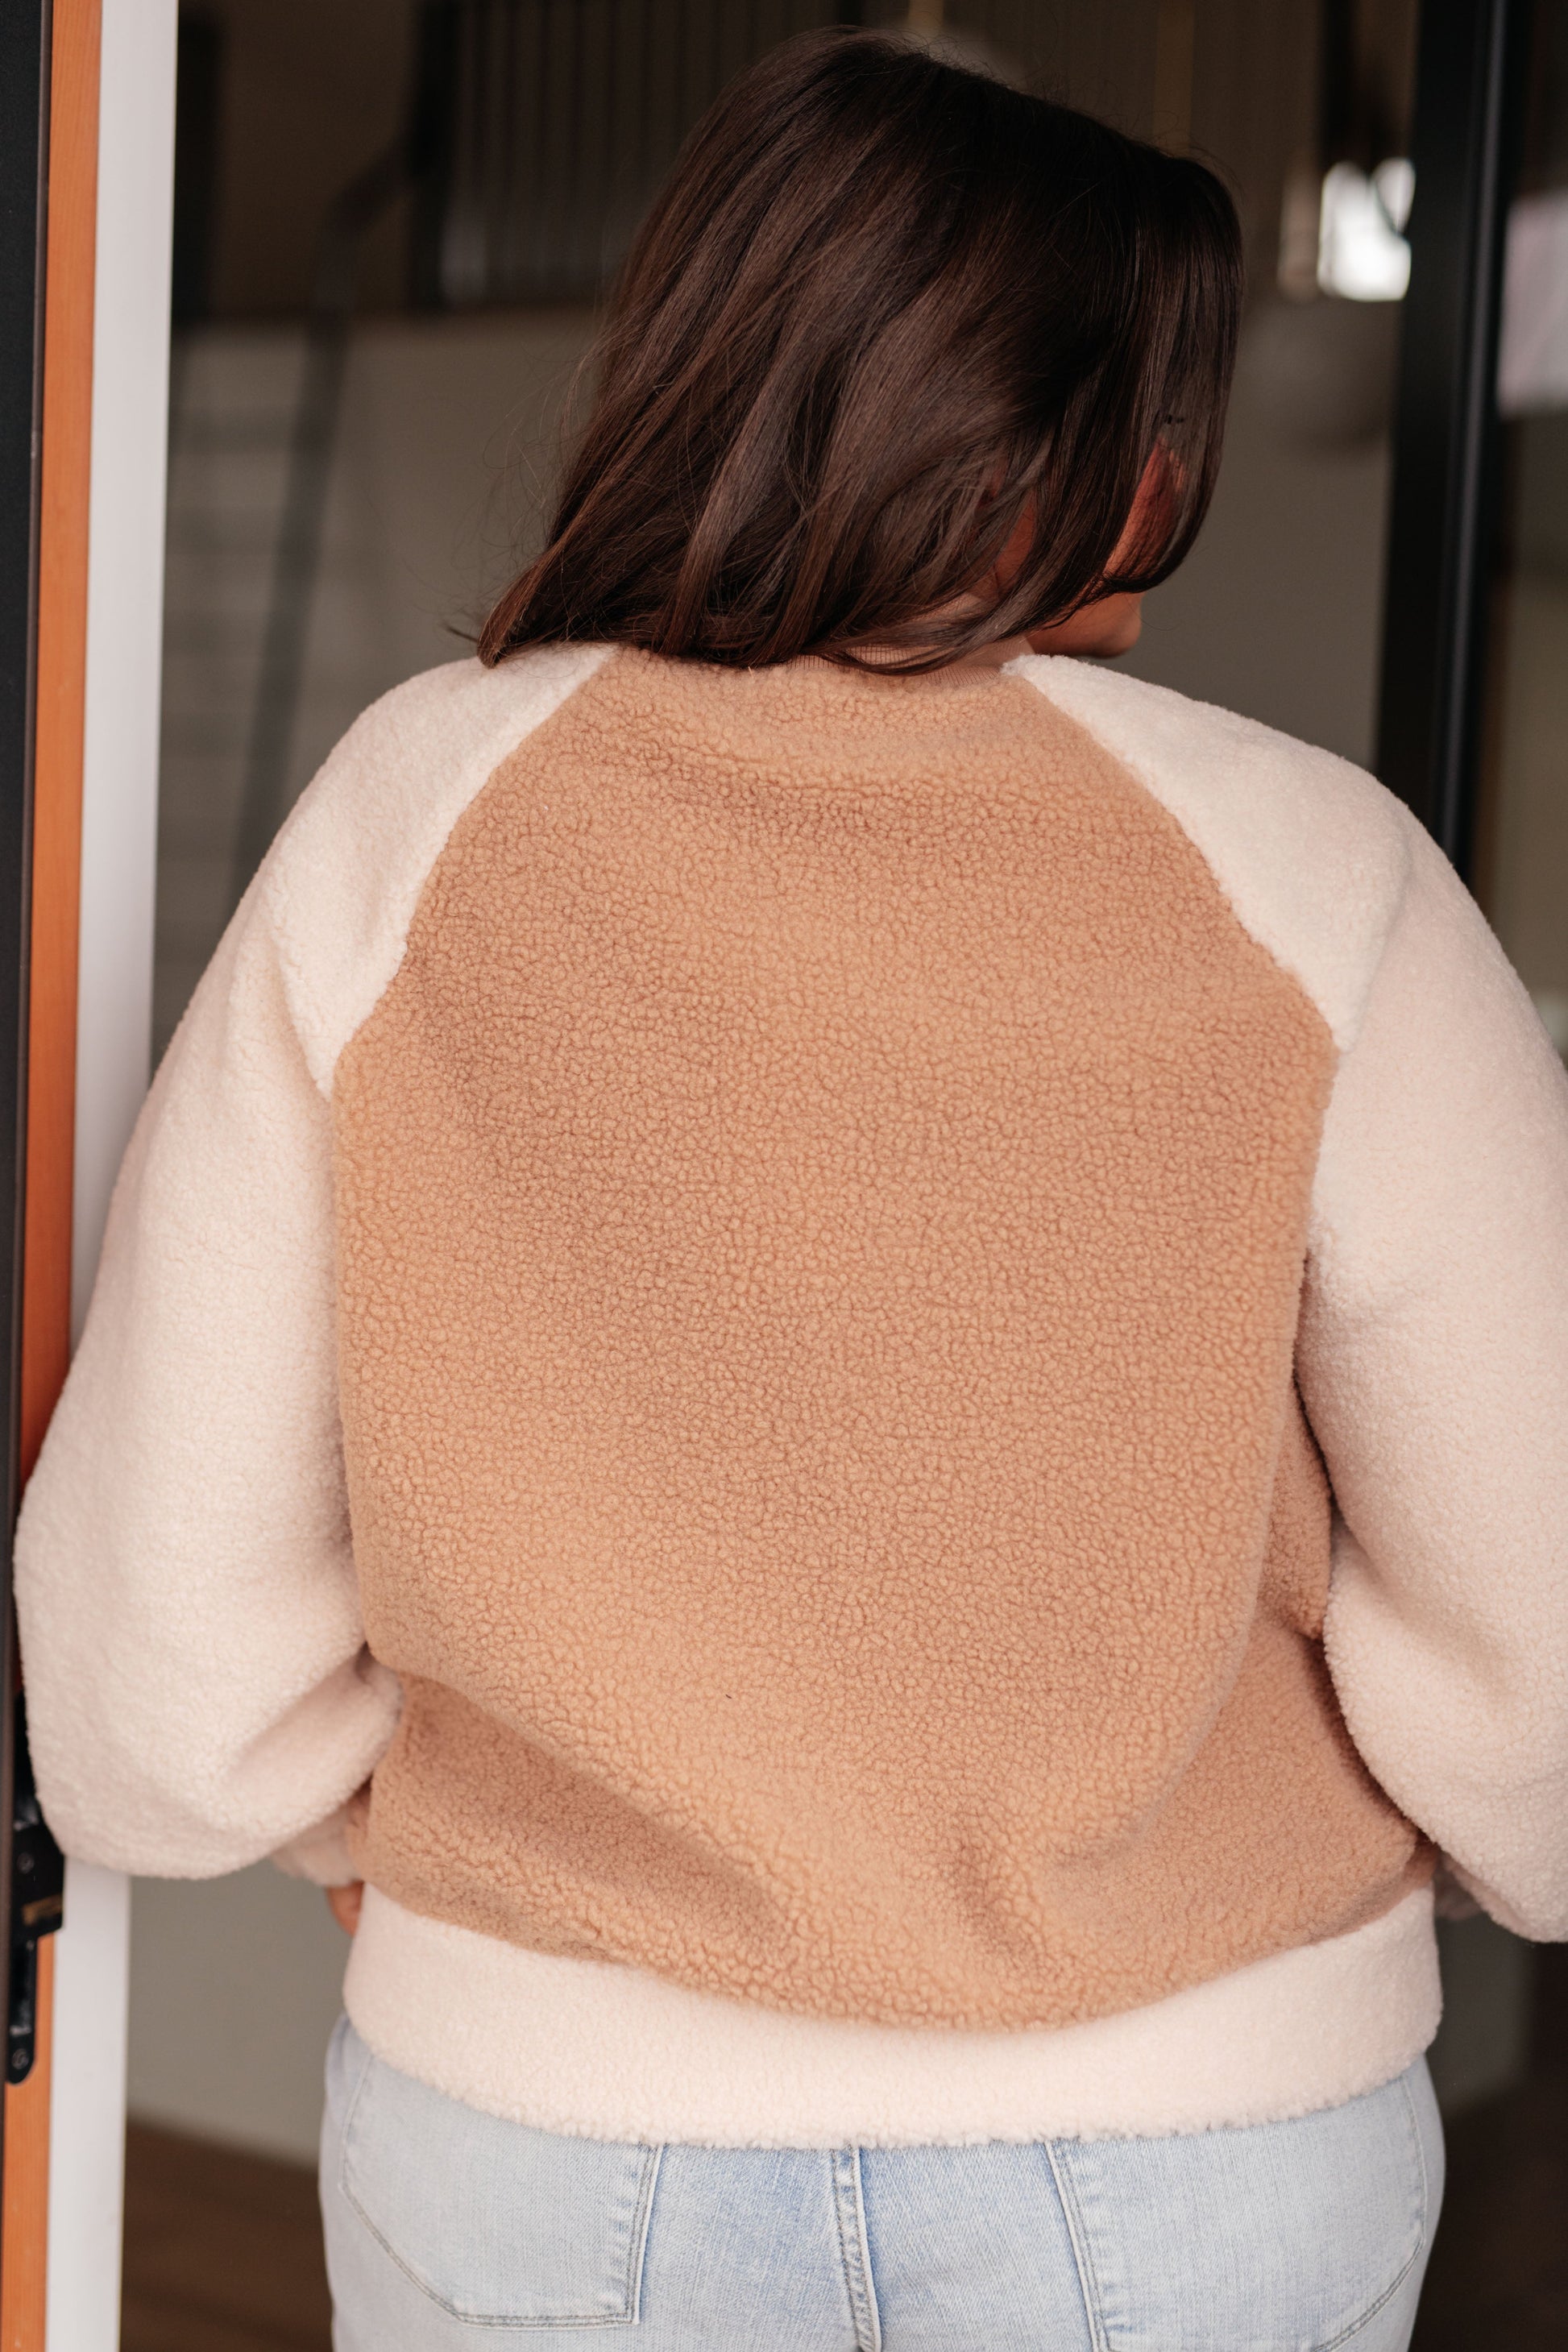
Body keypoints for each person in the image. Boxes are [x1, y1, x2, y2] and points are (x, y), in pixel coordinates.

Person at [16, 27, 1568, 2351]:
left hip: (539, 2155)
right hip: (1192, 2162)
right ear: (1076, 453)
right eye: (1158, 423)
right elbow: (1540, 1644)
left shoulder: (414, 819)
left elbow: (153, 1648)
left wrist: (385, 1842)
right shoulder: (1318, 877)